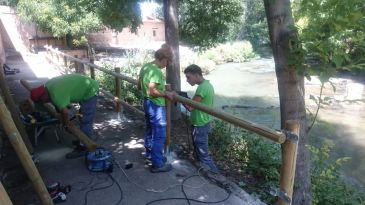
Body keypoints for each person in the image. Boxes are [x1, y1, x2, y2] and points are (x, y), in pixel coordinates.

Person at [30, 73, 99, 159]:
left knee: (86, 120)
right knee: (81, 116)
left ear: (44, 95)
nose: (44, 102)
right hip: (82, 87)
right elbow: (58, 106)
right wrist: (62, 117)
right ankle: (83, 139)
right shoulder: (47, 86)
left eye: (42, 100)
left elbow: (65, 112)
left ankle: (84, 147)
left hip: (90, 91)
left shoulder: (55, 94)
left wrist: (66, 124)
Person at [138, 44, 175, 173]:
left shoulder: (145, 67)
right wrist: (166, 93)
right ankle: (157, 164)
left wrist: (160, 90)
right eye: (167, 62)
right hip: (156, 106)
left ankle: (151, 156)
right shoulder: (156, 70)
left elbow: (139, 85)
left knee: (149, 130)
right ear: (163, 58)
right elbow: (153, 91)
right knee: (159, 135)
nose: (167, 65)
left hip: (147, 103)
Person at [183, 64, 219, 174]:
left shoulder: (202, 88)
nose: (187, 80)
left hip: (200, 125)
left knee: (203, 155)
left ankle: (216, 176)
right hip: (201, 123)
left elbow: (190, 107)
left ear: (197, 75)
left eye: (189, 77)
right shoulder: (207, 85)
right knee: (199, 152)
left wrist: (181, 98)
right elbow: (194, 103)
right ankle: (204, 173)